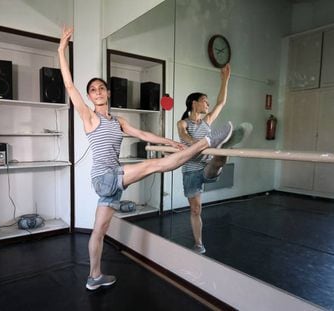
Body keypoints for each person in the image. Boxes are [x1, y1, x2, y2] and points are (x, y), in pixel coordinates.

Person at [58, 26, 233, 290]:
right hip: (106, 177)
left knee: (98, 231)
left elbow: (142, 133)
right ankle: (207, 142)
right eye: (92, 90)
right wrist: (62, 49)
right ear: (90, 96)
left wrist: (169, 141)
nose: (97, 92)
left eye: (101, 88)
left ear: (107, 93)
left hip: (110, 184)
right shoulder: (89, 116)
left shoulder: (118, 121)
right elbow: (69, 85)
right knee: (155, 165)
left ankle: (94, 277)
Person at [177, 64, 252, 254]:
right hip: (191, 170)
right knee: (196, 210)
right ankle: (198, 244)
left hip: (206, 165)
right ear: (194, 103)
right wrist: (199, 143)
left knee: (218, 159)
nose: (208, 104)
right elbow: (184, 137)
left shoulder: (207, 121)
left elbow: (221, 103)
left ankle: (222, 147)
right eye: (204, 101)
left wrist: (225, 80)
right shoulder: (183, 123)